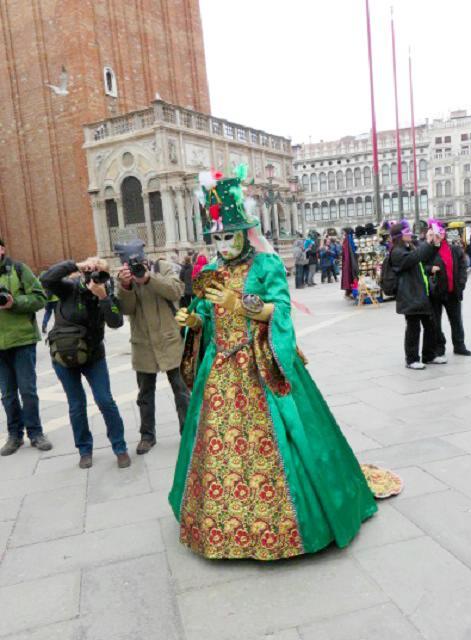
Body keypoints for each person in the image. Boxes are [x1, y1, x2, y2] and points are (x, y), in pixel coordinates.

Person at [170, 167, 378, 561]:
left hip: (259, 365)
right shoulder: (209, 272)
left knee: (284, 441)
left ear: (245, 233)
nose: (223, 245)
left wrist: (241, 305)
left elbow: (280, 311)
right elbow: (205, 317)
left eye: (228, 236)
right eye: (216, 237)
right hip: (220, 373)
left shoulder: (265, 267)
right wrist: (194, 323)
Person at [41, 257, 129, 469]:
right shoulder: (69, 289)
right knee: (76, 405)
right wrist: (75, 265)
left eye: (101, 273)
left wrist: (103, 298)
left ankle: (120, 448)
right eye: (92, 272)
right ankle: (84, 450)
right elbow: (46, 279)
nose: (95, 277)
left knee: (105, 400)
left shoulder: (105, 294)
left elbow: (116, 322)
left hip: (93, 356)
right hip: (63, 356)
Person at [116, 243, 190, 454]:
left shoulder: (162, 267)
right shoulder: (123, 279)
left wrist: (149, 279)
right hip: (143, 344)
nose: (135, 265)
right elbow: (126, 309)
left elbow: (176, 291)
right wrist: (126, 287)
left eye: (137, 260)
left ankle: (188, 432)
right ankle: (147, 436)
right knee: (145, 394)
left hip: (170, 340)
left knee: (181, 391)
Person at [0, 237, 53, 456]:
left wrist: (15, 303)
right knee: (7, 394)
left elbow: (40, 299)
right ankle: (14, 435)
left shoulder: (19, 270)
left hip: (22, 340)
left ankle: (36, 432)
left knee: (27, 391)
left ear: (2, 249)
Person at [390, 221, 443, 370]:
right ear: (400, 236)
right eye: (406, 231)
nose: (410, 234)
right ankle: (412, 359)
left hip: (420, 293)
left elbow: (423, 256)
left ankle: (429, 355)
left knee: (430, 325)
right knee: (413, 328)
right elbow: (416, 257)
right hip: (409, 295)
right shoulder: (397, 252)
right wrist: (427, 241)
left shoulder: (410, 247)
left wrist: (435, 244)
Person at [426, 219, 471, 358]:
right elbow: (420, 266)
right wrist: (430, 268)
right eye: (435, 232)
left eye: (440, 231)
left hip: (453, 291)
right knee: (435, 322)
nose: (439, 235)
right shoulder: (427, 250)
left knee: (456, 320)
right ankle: (439, 347)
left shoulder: (454, 249)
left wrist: (462, 283)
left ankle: (459, 345)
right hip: (436, 292)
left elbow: (463, 267)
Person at [39, 269, 59, 334]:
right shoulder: (52, 280)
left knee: (47, 312)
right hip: (56, 300)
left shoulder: (41, 282)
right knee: (57, 314)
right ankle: (56, 327)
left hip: (47, 300)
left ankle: (44, 324)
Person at [341, 228, 358, 298]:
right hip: (348, 262)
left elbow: (347, 253)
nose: (343, 234)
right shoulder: (348, 239)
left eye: (344, 233)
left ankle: (350, 292)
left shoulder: (347, 240)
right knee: (350, 276)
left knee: (350, 276)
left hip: (348, 262)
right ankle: (350, 292)